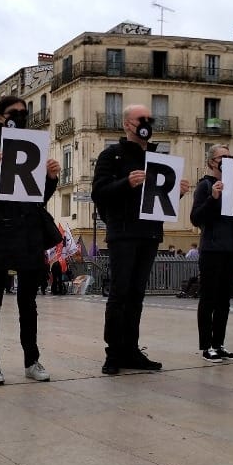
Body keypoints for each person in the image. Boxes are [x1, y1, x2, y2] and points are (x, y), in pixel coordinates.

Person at [91, 105, 190, 375]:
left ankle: (131, 350)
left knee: (136, 296)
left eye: (149, 119)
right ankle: (113, 353)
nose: (145, 123)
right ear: (126, 124)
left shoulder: (158, 158)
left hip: (149, 233)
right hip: (123, 232)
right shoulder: (111, 155)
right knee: (119, 294)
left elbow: (159, 201)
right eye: (140, 119)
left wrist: (176, 193)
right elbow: (98, 192)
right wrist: (126, 183)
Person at [0, 95, 59, 384]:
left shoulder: (32, 148)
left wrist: (51, 178)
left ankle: (31, 360)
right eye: (14, 112)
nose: (20, 116)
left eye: (24, 112)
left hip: (28, 232)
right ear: (0, 117)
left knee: (28, 303)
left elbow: (38, 198)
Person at [190, 145, 233, 363]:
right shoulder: (205, 185)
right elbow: (196, 219)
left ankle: (219, 344)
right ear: (211, 162)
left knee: (225, 300)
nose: (227, 160)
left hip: (232, 249)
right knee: (209, 299)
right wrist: (213, 198)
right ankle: (206, 346)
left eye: (230, 156)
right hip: (211, 249)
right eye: (222, 157)